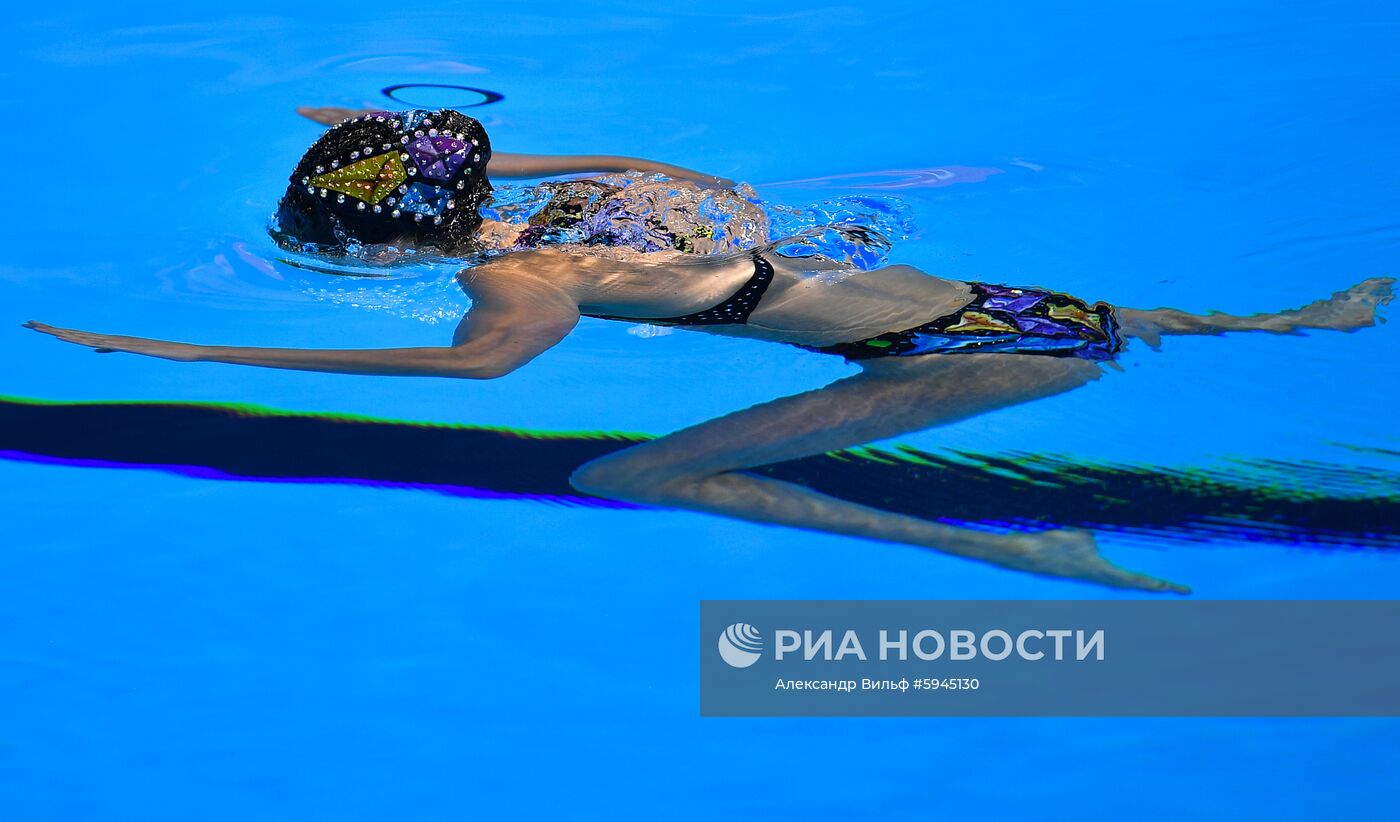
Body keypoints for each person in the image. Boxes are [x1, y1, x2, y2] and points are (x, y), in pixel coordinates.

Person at [26, 107, 1394, 593]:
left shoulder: (525, 273)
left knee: (627, 478)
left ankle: (1019, 550)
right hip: (1032, 304)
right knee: (999, 312)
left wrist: (175, 347)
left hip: (992, 362)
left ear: (387, 243)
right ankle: (1296, 321)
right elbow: (649, 156)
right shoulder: (579, 203)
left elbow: (478, 377)